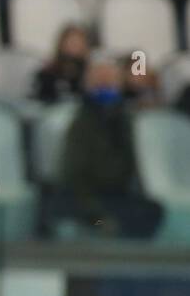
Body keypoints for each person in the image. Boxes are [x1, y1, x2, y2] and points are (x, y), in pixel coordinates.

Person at [55, 58, 163, 238]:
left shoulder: (125, 121)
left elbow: (135, 168)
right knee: (103, 223)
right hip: (86, 205)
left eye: (110, 83)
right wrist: (96, 213)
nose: (106, 88)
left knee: (151, 212)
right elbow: (74, 178)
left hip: (118, 199)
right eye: (100, 83)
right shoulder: (81, 124)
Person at [32, 23, 91, 102]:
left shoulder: (89, 73)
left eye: (78, 42)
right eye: (71, 41)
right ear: (61, 43)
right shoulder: (47, 74)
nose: (75, 45)